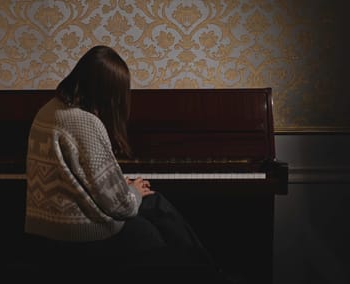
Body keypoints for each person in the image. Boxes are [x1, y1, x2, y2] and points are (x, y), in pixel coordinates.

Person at [23, 45, 215, 267]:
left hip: (47, 226)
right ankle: (209, 278)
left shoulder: (47, 110)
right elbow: (121, 207)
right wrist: (133, 190)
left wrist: (122, 187)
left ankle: (208, 274)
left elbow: (76, 177)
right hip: (81, 232)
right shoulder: (86, 123)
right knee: (155, 225)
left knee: (154, 206)